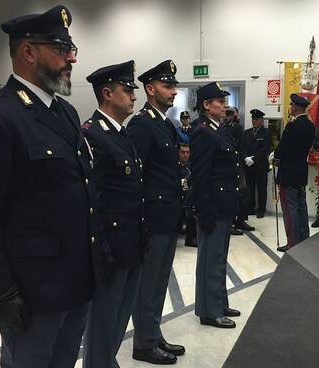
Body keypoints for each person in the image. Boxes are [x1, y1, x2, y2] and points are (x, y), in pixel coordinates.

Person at [0, 6, 99, 368]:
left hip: (76, 279)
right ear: (28, 52)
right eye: (60, 48)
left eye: (71, 48)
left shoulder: (64, 112)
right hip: (32, 290)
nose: (71, 58)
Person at [81, 60, 145, 368]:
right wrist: (101, 250)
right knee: (104, 321)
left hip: (131, 242)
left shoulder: (121, 134)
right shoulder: (93, 135)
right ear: (107, 93)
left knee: (119, 318)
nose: (134, 96)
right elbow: (94, 200)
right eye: (127, 90)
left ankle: (106, 362)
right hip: (111, 247)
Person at [126, 59, 185, 365]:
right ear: (150, 89)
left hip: (169, 214)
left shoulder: (163, 123)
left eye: (174, 86)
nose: (173, 91)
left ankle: (153, 332)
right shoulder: (141, 125)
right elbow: (135, 175)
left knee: (160, 281)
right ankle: (143, 343)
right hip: (153, 216)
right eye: (167, 86)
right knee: (148, 283)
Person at [189, 82, 241, 328]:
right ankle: (209, 311)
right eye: (219, 101)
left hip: (224, 204)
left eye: (224, 100)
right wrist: (204, 210)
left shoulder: (218, 129)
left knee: (219, 258)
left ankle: (219, 301)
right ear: (206, 105)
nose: (224, 105)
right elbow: (200, 176)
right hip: (212, 206)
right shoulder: (202, 131)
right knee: (210, 258)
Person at [273, 94, 315, 252]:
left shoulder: (292, 126)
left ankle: (292, 241)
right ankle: (304, 237)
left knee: (290, 208)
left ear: (296, 107)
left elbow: (283, 147)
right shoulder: (310, 125)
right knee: (301, 206)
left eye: (291, 105)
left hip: (288, 173)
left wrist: (276, 156)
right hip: (301, 171)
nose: (290, 107)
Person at [223, 108, 254, 233]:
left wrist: (245, 157)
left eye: (230, 115)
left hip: (237, 163)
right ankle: (229, 223)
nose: (227, 117)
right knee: (227, 194)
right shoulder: (219, 128)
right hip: (225, 164)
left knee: (243, 191)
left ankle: (240, 220)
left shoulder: (238, 128)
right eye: (225, 114)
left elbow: (242, 146)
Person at [242, 109, 271, 218]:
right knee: (250, 187)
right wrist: (246, 157)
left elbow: (265, 149)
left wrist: (253, 159)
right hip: (248, 165)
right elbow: (243, 147)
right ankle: (250, 207)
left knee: (261, 188)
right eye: (253, 119)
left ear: (261, 120)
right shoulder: (247, 132)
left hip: (260, 166)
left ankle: (261, 209)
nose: (254, 121)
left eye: (257, 119)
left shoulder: (266, 132)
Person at [179, 143, 197, 247]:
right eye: (183, 152)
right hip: (179, 196)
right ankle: (190, 238)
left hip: (189, 194)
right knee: (191, 203)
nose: (185, 155)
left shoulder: (190, 166)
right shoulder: (175, 167)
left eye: (188, 152)